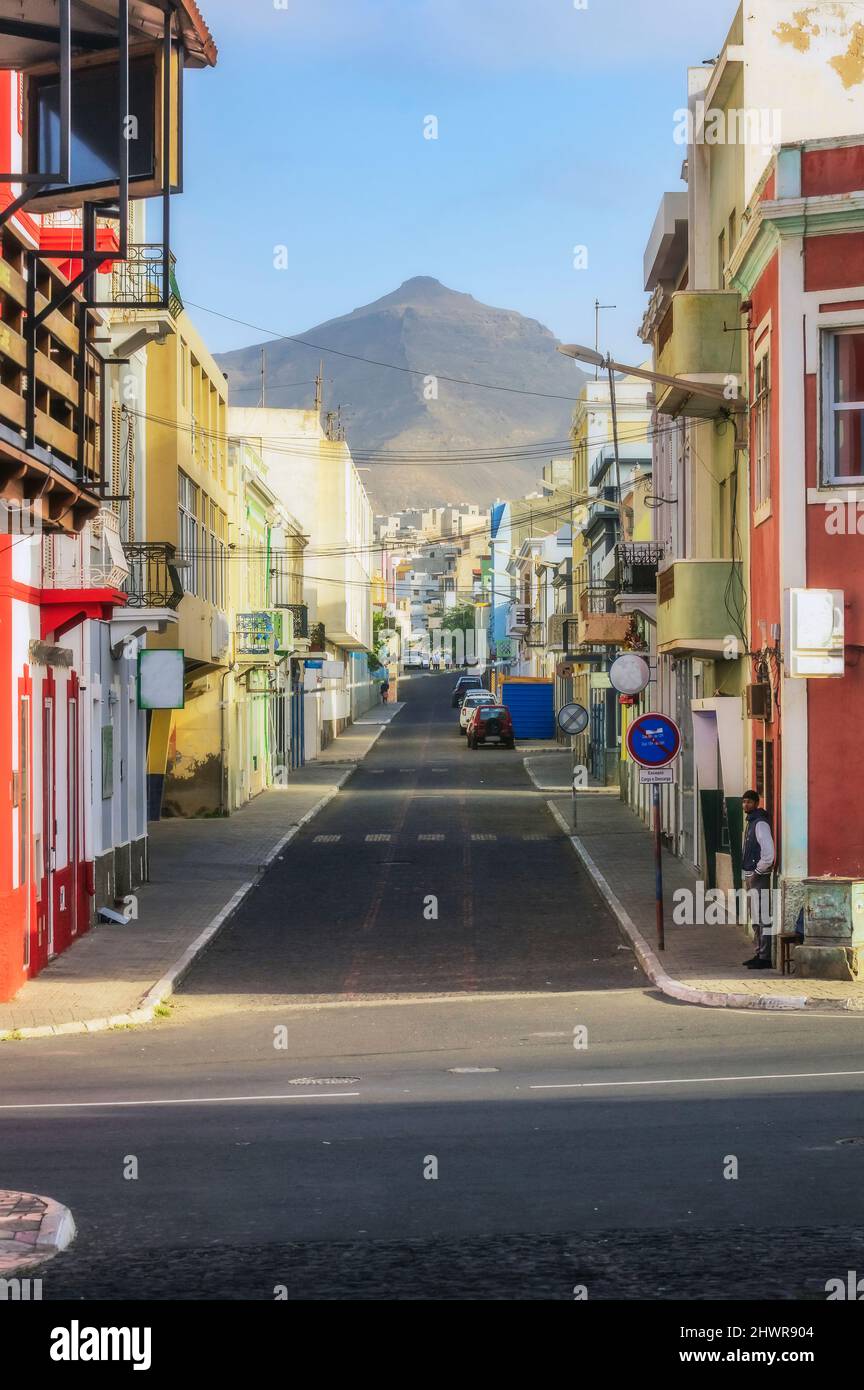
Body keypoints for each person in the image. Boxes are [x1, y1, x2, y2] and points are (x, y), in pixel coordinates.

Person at [741, 789, 775, 969]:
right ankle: (758, 953)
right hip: (750, 874)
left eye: (749, 802)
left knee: (762, 916)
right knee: (754, 916)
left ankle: (765, 957)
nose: (746, 805)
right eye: (744, 802)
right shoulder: (751, 821)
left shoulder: (760, 823)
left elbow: (769, 854)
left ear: (756, 803)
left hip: (759, 876)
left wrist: (757, 872)